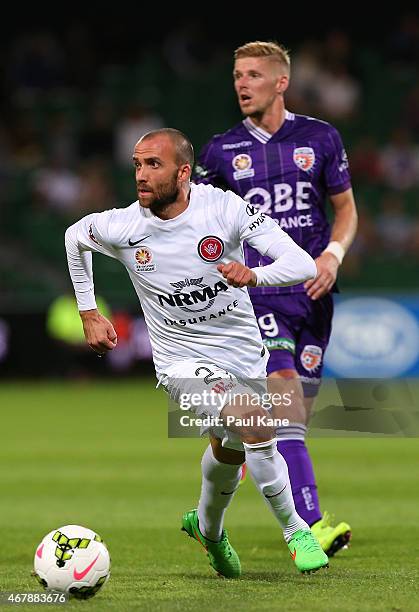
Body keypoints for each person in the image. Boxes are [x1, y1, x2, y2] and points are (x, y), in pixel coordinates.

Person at [65, 127, 329, 577]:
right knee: (251, 419)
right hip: (179, 362)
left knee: (230, 450)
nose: (141, 176)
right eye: (137, 165)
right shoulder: (125, 225)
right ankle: (296, 530)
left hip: (244, 354)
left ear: (183, 172)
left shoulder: (223, 209)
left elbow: (303, 263)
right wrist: (89, 311)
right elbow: (74, 237)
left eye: (154, 165)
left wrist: (254, 275)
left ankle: (207, 530)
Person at [193, 41, 358, 556]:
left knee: (283, 422)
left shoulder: (321, 138)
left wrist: (331, 255)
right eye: (238, 75)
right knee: (284, 400)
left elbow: (346, 210)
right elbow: (199, 223)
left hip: (313, 291)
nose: (242, 84)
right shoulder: (220, 151)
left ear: (281, 82)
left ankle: (212, 495)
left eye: (254, 75)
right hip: (259, 294)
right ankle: (309, 527)